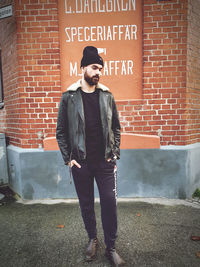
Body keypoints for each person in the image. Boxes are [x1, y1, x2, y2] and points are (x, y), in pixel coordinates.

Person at [56, 46, 125, 266]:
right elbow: (61, 131)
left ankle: (111, 247)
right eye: (94, 67)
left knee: (109, 203)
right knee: (86, 204)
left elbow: (116, 127)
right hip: (81, 164)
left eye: (100, 68)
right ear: (83, 67)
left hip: (104, 162)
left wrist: (114, 153)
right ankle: (92, 239)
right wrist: (69, 159)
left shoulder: (107, 95)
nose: (98, 72)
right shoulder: (69, 97)